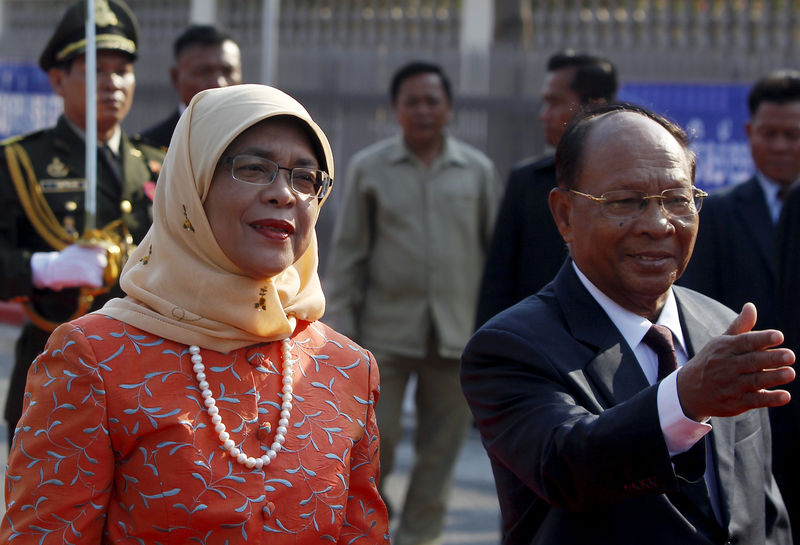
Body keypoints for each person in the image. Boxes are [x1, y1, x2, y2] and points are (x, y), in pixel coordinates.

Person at [0, 83, 390, 544]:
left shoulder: (347, 368)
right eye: (253, 168)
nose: (284, 193)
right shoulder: (94, 358)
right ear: (192, 184)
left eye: (306, 178)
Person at [461, 102, 795, 544]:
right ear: (564, 215)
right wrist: (685, 399)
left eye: (678, 200)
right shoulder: (510, 347)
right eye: (625, 202)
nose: (658, 225)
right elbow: (567, 466)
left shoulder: (723, 326)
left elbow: (763, 511)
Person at [324, 60, 502, 545]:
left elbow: (493, 259)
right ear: (396, 109)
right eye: (412, 101)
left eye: (432, 101)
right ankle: (368, 531)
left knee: (439, 455)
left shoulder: (477, 171)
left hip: (456, 336)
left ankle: (418, 538)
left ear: (448, 108)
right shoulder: (370, 168)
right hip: (383, 336)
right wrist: (341, 336)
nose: (423, 110)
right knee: (374, 447)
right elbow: (349, 257)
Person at [0, 0, 164, 447]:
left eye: (122, 70)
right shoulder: (20, 162)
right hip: (56, 374)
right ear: (57, 79)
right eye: (95, 69)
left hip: (145, 381)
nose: (111, 82)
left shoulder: (156, 165)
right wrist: (45, 268)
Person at [474, 50, 618, 328]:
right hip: (529, 342)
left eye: (555, 103)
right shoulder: (527, 182)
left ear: (593, 106)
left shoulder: (634, 186)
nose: (544, 116)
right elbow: (497, 282)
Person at [678, 69, 800, 332]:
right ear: (749, 131)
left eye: (792, 135)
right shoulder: (715, 214)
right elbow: (698, 304)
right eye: (769, 133)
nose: (780, 146)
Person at [140, 24, 242, 149]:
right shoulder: (149, 147)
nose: (219, 83)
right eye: (204, 72)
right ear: (175, 77)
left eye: (228, 71)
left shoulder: (255, 141)